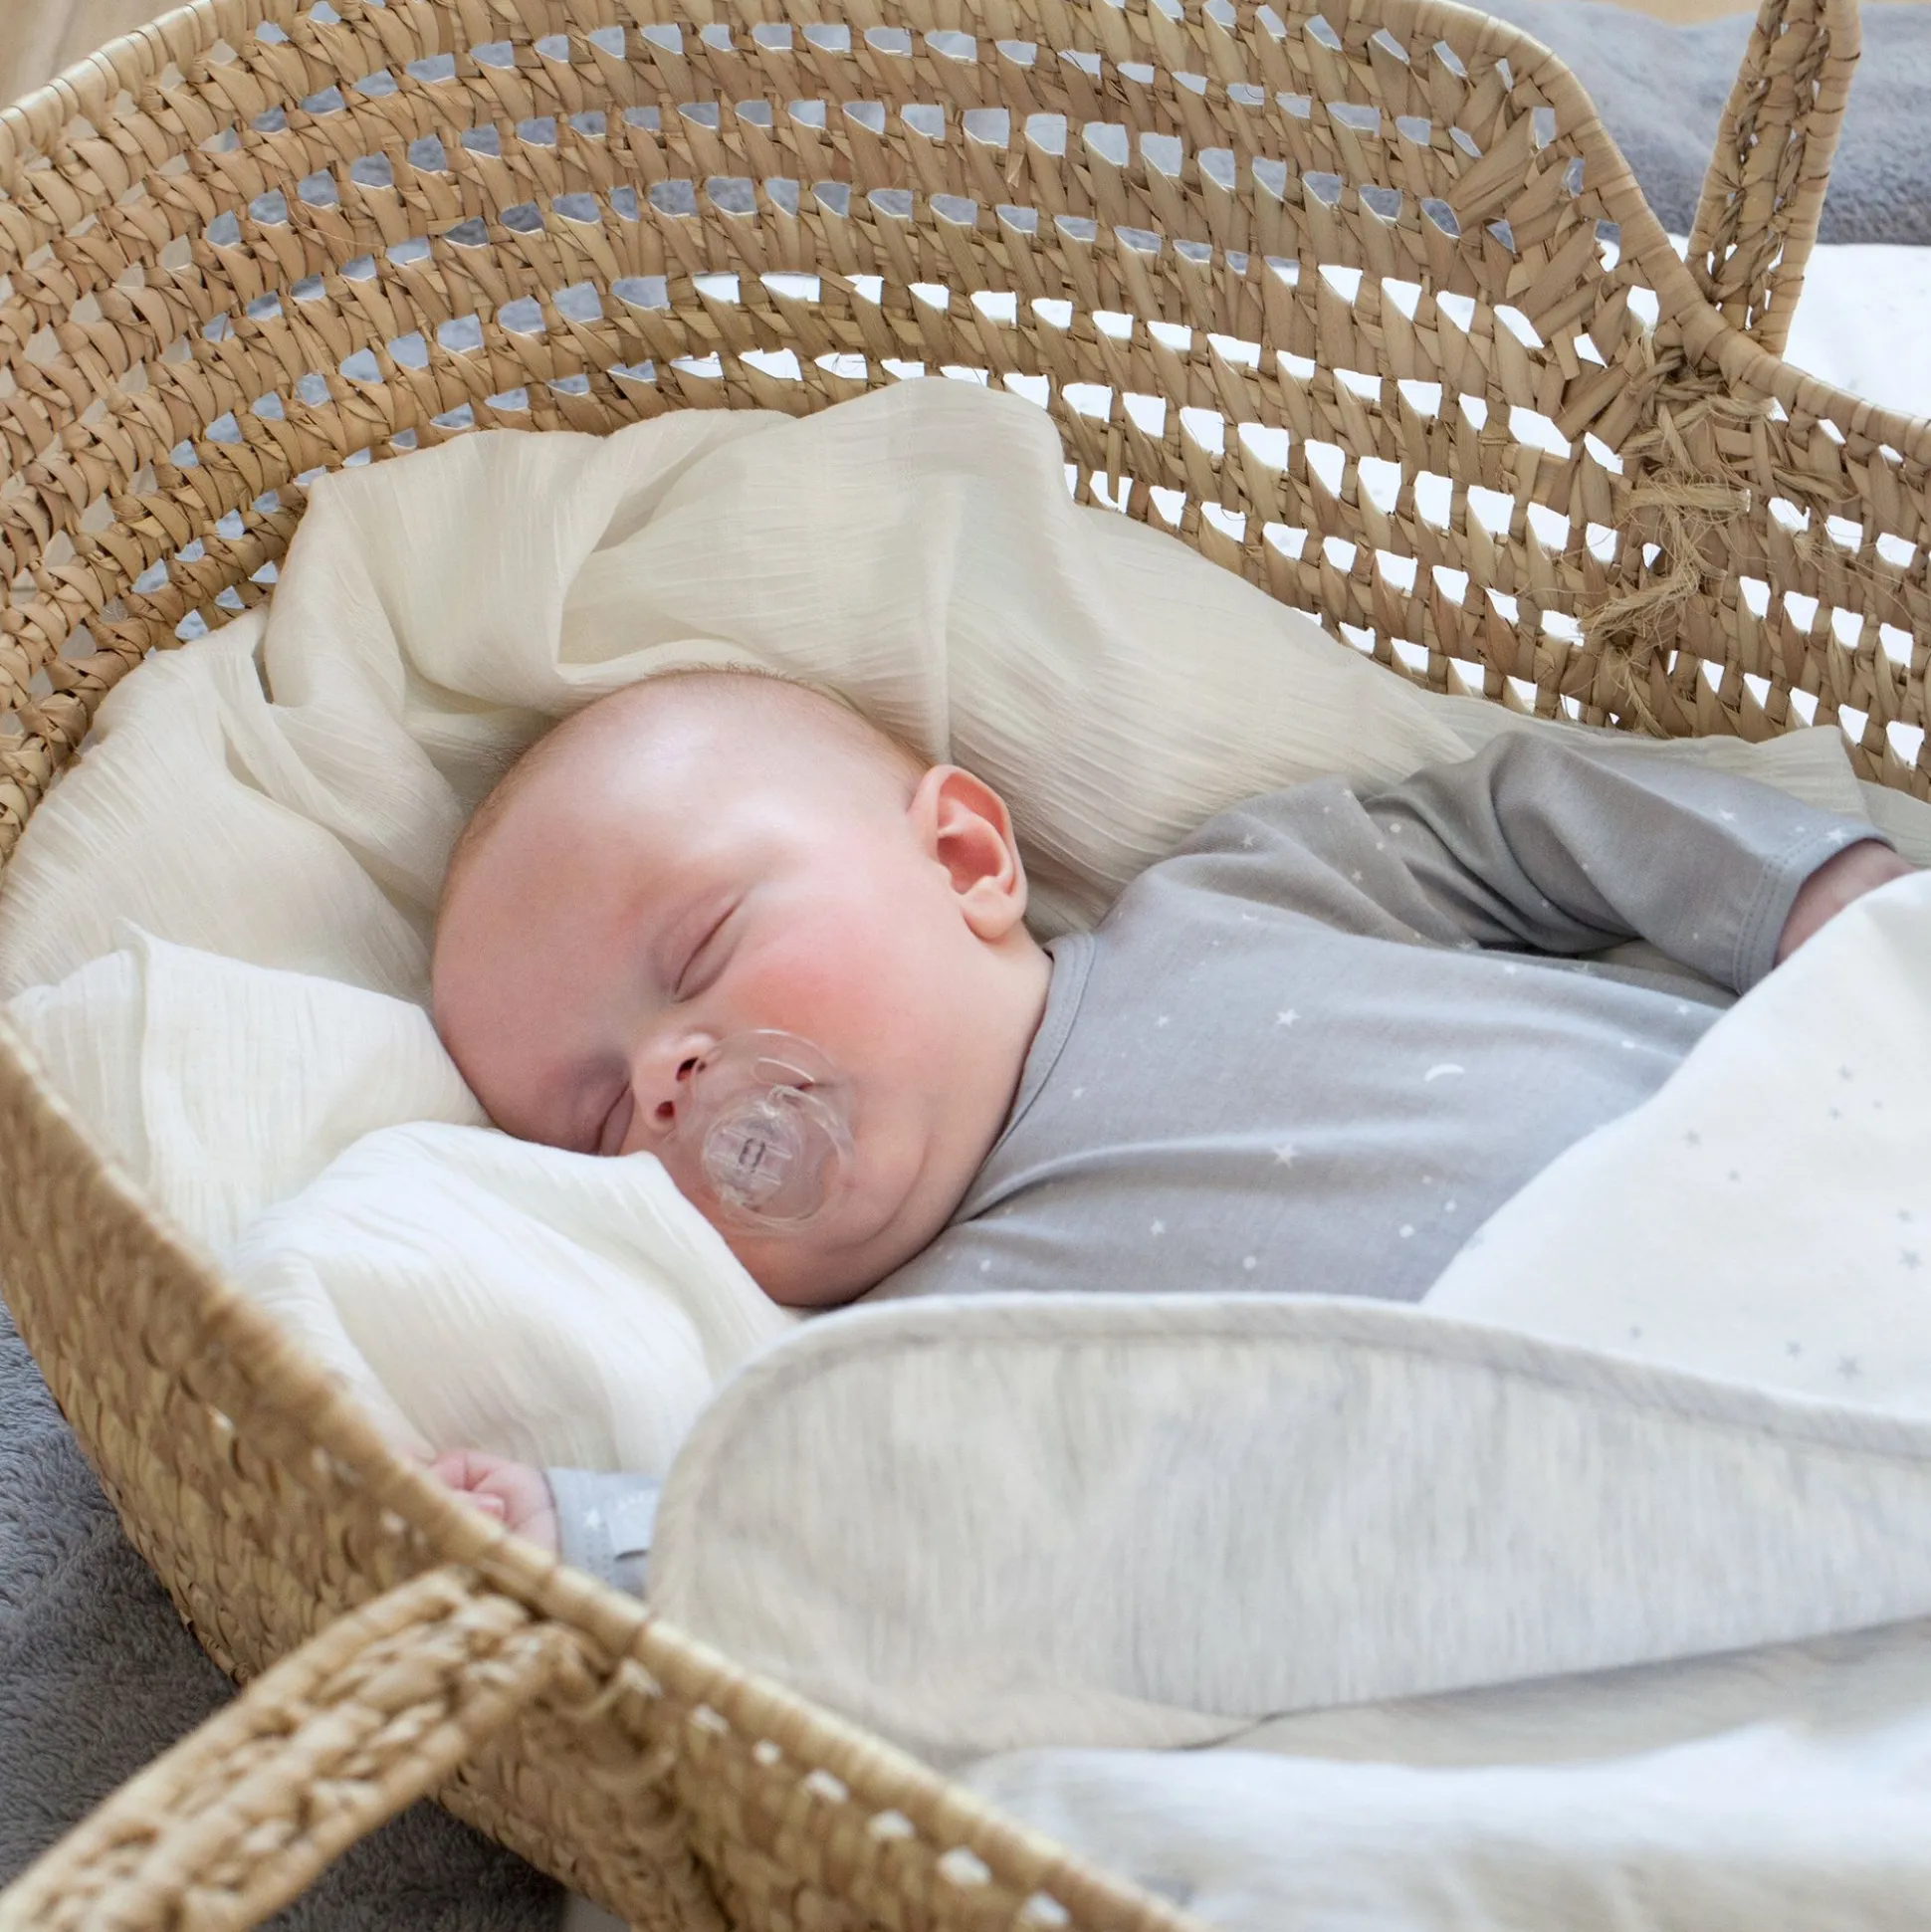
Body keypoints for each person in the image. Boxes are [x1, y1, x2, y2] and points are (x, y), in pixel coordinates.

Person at [427, 668, 1910, 1585]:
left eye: (699, 951)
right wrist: (586, 1532)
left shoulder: (1241, 898)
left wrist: (1812, 900)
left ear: (965, 859)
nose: (668, 1078)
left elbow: (1518, 817)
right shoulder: (892, 1371)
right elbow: (835, 1539)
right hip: (1568, 1538)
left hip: (1795, 1198)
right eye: (599, 1117)